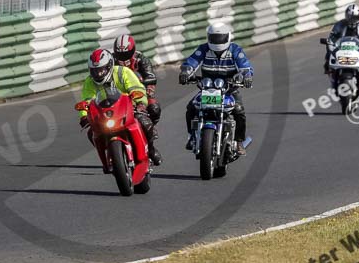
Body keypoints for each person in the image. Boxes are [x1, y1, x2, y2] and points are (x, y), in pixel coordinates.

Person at [179, 21, 253, 156]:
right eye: (214, 38)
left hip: (229, 89)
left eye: (220, 38)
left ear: (228, 36)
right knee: (191, 108)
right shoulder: (203, 49)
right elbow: (191, 62)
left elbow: (245, 66)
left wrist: (246, 76)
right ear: (208, 37)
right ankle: (191, 136)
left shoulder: (235, 50)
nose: (217, 41)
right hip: (207, 88)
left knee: (239, 110)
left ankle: (238, 142)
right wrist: (185, 72)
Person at [78, 48, 162, 166]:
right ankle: (109, 156)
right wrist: (84, 116)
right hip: (105, 115)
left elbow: (136, 87)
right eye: (95, 71)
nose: (98, 73)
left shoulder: (122, 72)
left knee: (144, 122)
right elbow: (87, 101)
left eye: (101, 70)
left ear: (109, 66)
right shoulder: (89, 82)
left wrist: (140, 103)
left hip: (127, 109)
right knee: (91, 133)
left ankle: (151, 150)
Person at [113, 34, 161, 125]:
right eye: (119, 54)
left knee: (154, 108)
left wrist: (141, 84)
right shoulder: (111, 60)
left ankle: (150, 129)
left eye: (126, 54)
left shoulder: (141, 59)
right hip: (117, 94)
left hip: (140, 91)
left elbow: (150, 76)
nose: (123, 57)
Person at [324, 3, 359, 78]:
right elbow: (331, 37)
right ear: (346, 16)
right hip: (342, 49)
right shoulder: (339, 24)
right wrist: (330, 49)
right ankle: (332, 75)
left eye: (354, 17)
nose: (352, 20)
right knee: (328, 59)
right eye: (349, 17)